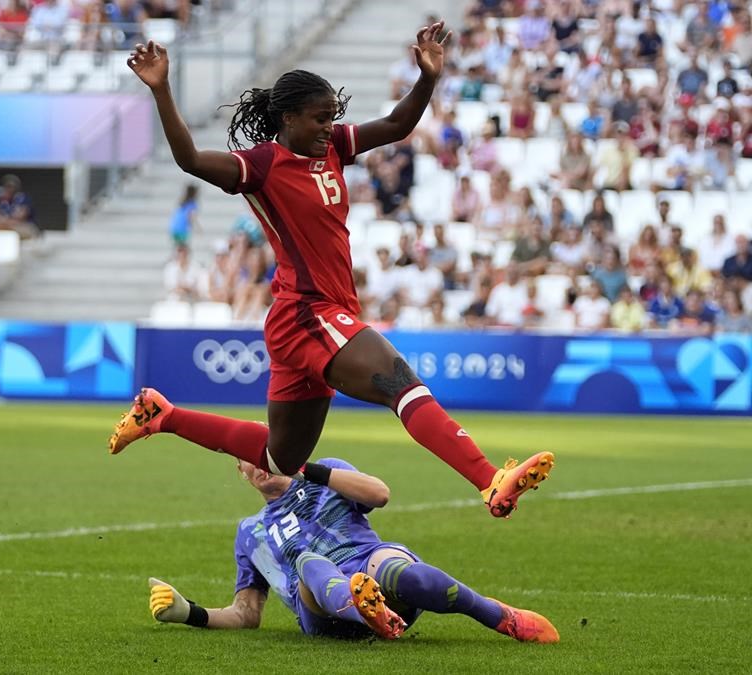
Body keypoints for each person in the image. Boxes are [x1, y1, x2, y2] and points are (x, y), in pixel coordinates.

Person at [110, 27, 555, 520]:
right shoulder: (261, 166)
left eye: (332, 118)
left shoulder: (333, 148)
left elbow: (396, 124)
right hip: (308, 311)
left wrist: (427, 79)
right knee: (401, 384)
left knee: (282, 459)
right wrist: (161, 89)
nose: (329, 127)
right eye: (320, 118)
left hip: (314, 316)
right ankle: (489, 479)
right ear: (289, 118)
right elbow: (190, 159)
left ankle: (162, 415)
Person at [147, 457, 559, 643]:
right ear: (241, 473)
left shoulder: (324, 469)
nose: (259, 464)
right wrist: (190, 613)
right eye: (247, 460)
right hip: (323, 612)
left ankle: (499, 617)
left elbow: (379, 494)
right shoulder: (250, 532)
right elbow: (246, 614)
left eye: (266, 451)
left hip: (373, 570)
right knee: (309, 561)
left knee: (406, 573)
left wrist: (312, 468)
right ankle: (360, 604)